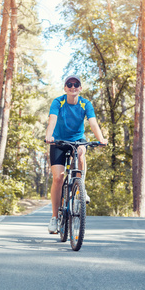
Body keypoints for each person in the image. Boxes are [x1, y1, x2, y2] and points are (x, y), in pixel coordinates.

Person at [45, 75, 107, 234]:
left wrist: (100, 139)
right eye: (69, 84)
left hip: (77, 140)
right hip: (58, 141)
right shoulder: (58, 102)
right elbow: (52, 120)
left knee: (81, 152)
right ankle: (54, 217)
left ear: (80, 88)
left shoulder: (85, 103)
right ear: (65, 88)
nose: (73, 87)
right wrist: (49, 136)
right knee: (58, 178)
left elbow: (93, 122)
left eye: (76, 84)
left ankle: (81, 188)